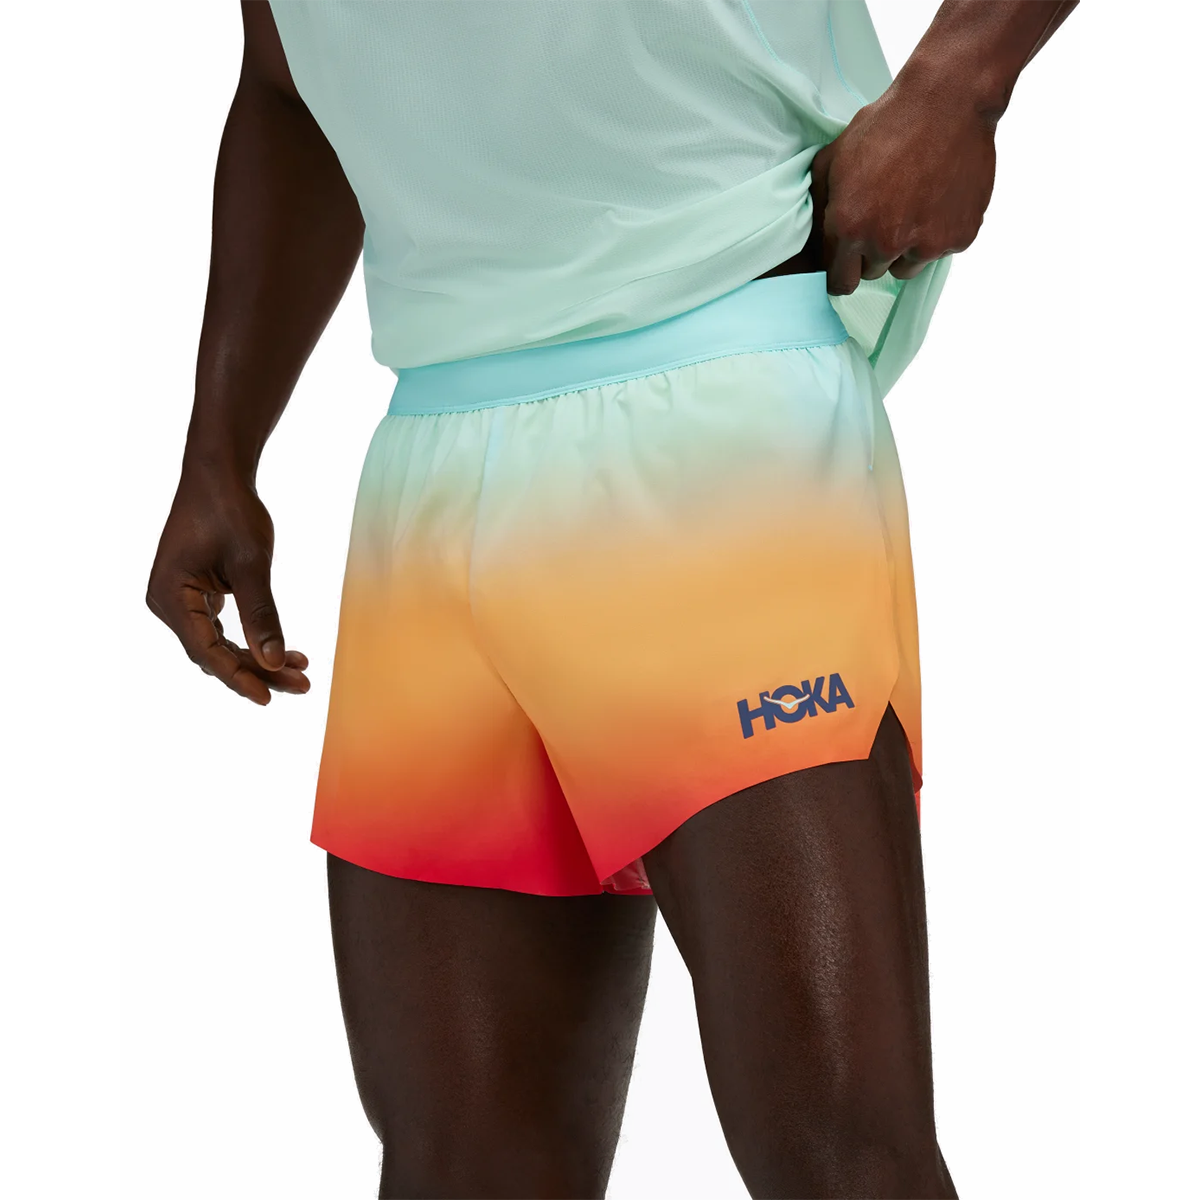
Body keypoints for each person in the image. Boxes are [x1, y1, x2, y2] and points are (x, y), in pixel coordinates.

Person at [146, 1, 1077, 1195]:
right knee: (464, 1167)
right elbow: (289, 84)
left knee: (840, 1154)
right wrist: (219, 446)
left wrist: (961, 83)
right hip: (432, 455)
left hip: (714, 392)